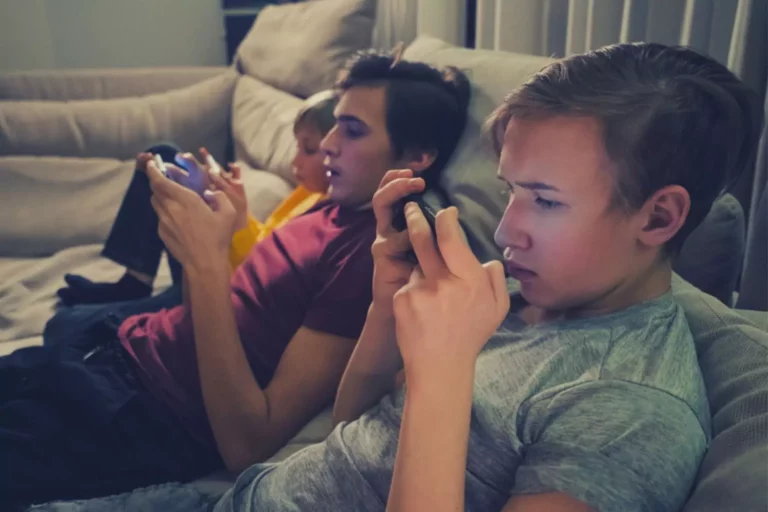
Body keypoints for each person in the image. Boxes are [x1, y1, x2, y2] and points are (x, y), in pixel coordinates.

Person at [31, 41, 760, 512]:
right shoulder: (516, 292)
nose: (506, 232)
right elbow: (354, 431)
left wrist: (443, 373)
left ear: (660, 218)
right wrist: (386, 309)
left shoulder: (630, 409)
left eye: (545, 201)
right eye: (510, 192)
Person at [0, 51, 470, 510]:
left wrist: (204, 260)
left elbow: (249, 443)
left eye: (351, 131)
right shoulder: (337, 204)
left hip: (137, 411)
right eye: (332, 126)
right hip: (110, 352)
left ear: (417, 157)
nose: (327, 143)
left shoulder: (371, 258)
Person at [44, 91, 337, 349]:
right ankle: (135, 280)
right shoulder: (307, 193)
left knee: (61, 326)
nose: (294, 161)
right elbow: (264, 239)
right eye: (296, 146)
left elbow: (261, 272)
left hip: (218, 291)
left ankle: (147, 302)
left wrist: (231, 213)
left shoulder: (327, 218)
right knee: (164, 156)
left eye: (309, 150)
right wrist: (216, 196)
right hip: (217, 261)